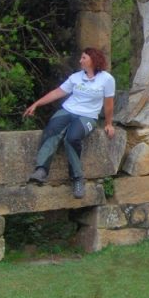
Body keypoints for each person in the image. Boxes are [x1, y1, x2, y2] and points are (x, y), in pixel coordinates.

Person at [25, 48, 115, 199]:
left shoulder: (107, 79)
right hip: (68, 110)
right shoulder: (76, 77)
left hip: (88, 116)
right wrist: (36, 104)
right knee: (52, 129)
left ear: (93, 60)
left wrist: (109, 123)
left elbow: (109, 104)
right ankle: (41, 170)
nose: (80, 61)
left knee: (72, 138)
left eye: (84, 58)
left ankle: (77, 178)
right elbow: (57, 92)